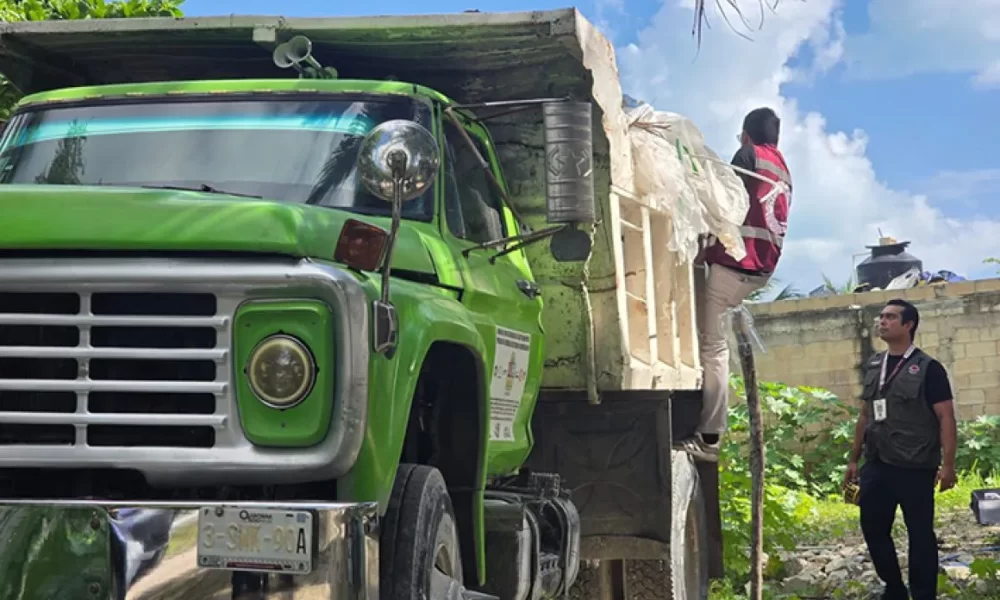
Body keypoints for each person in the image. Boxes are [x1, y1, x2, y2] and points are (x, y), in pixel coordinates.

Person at [678, 106, 793, 462]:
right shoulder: (782, 166)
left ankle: (709, 436)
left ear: (745, 134)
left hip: (736, 265)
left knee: (712, 347)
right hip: (762, 270)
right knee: (716, 339)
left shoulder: (749, 156)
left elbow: (724, 202)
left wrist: (701, 245)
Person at [844, 299, 957, 600]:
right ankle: (894, 587)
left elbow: (946, 416)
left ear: (908, 325)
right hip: (878, 463)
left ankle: (923, 594)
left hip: (915, 465)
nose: (883, 321)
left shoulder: (929, 369)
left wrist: (948, 465)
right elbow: (865, 415)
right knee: (872, 527)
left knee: (920, 535)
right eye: (881, 316)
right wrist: (853, 460)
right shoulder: (873, 365)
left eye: (891, 317)